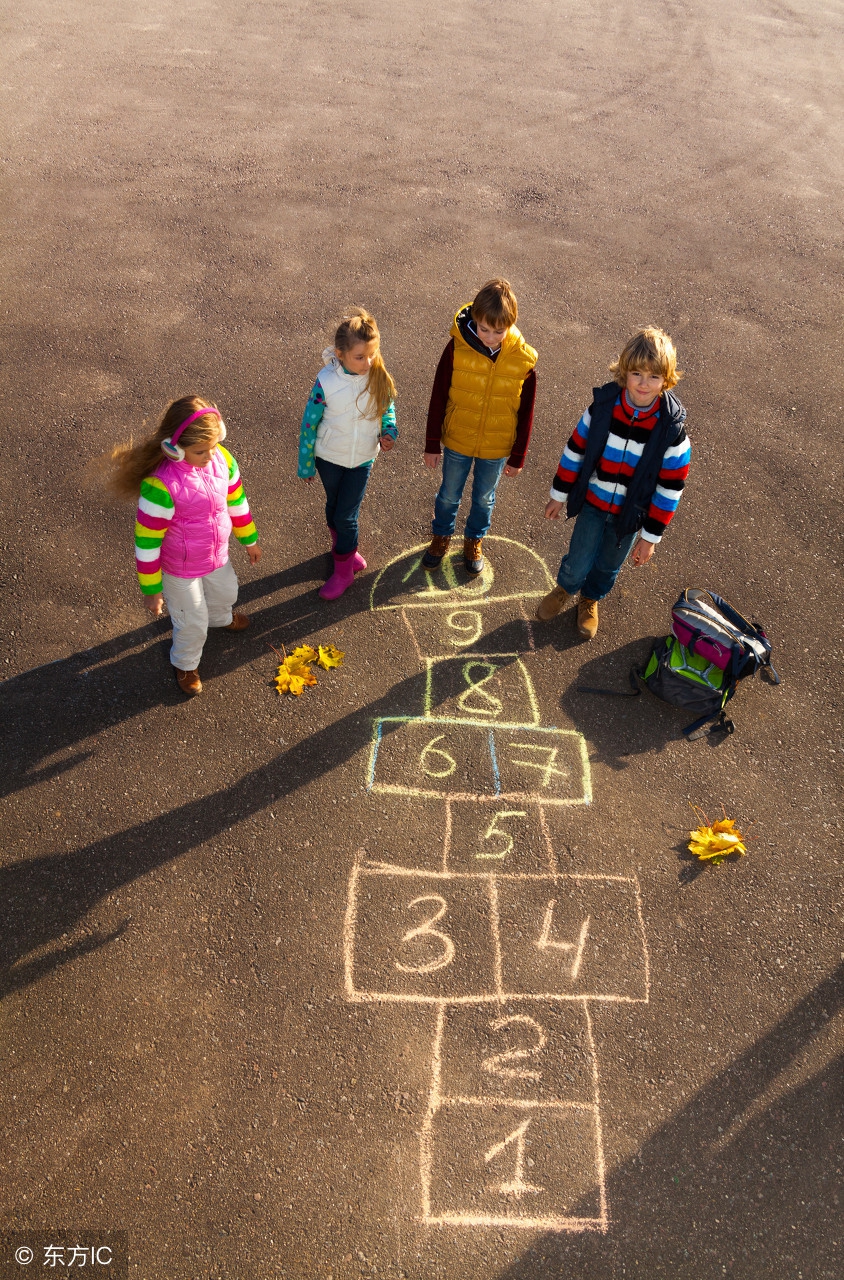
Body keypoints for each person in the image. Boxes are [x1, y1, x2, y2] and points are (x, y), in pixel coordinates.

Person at [536, 326, 691, 638]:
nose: (644, 384)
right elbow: (576, 449)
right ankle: (566, 587)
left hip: (629, 516)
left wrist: (650, 538)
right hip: (594, 502)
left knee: (608, 564)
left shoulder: (670, 430)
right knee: (578, 559)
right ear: (624, 371)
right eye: (636, 374)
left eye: (654, 377)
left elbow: (670, 489)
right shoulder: (605, 408)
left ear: (666, 378)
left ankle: (591, 599)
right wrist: (559, 494)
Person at [108, 396, 261, 696]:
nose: (209, 456)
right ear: (174, 448)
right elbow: (147, 543)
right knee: (192, 621)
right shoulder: (160, 486)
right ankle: (185, 662)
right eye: (200, 451)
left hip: (216, 556)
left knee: (227, 591)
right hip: (180, 569)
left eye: (214, 446)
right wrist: (152, 590)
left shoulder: (223, 461)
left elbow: (236, 501)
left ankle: (220, 619)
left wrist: (249, 539)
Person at [422, 278, 537, 576]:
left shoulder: (523, 360)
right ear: (475, 319)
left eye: (498, 331)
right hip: (459, 437)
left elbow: (527, 412)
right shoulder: (456, 349)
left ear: (511, 324)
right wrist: (432, 442)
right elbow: (439, 393)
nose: (489, 336)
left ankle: (474, 540)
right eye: (483, 328)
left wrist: (518, 456)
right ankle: (442, 536)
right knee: (449, 493)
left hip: (496, 446)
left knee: (485, 498)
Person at [298, 308, 397, 600]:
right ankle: (344, 549)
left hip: (362, 459)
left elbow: (387, 407)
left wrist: (389, 431)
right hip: (328, 457)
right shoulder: (326, 382)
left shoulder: (377, 375)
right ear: (340, 354)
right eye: (360, 357)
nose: (368, 362)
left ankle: (343, 572)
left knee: (347, 516)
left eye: (372, 354)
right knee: (334, 507)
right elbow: (309, 423)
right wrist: (306, 464)